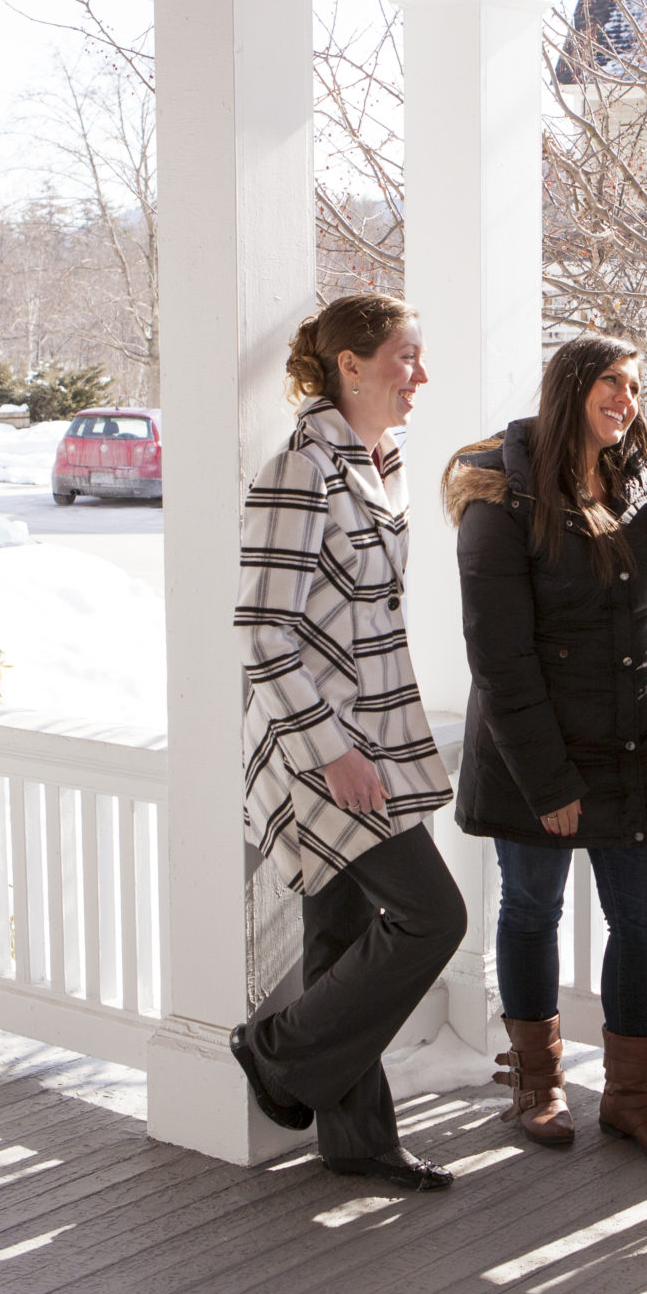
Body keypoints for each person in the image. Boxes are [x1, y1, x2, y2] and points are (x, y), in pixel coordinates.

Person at [230, 293, 466, 1192]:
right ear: (351, 364)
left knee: (341, 924)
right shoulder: (301, 469)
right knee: (432, 915)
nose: (420, 375)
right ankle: (275, 1047)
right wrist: (329, 749)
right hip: (322, 750)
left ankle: (356, 1137)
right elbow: (259, 628)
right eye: (406, 356)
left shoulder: (384, 460)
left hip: (376, 735)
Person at [444, 335, 647, 1161]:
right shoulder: (499, 492)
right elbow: (499, 654)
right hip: (538, 748)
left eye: (635, 386)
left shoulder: (626, 481)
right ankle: (537, 1081)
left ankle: (629, 1095)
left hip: (634, 738)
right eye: (612, 382)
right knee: (530, 909)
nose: (626, 398)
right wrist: (549, 781)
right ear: (571, 386)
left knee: (644, 922)